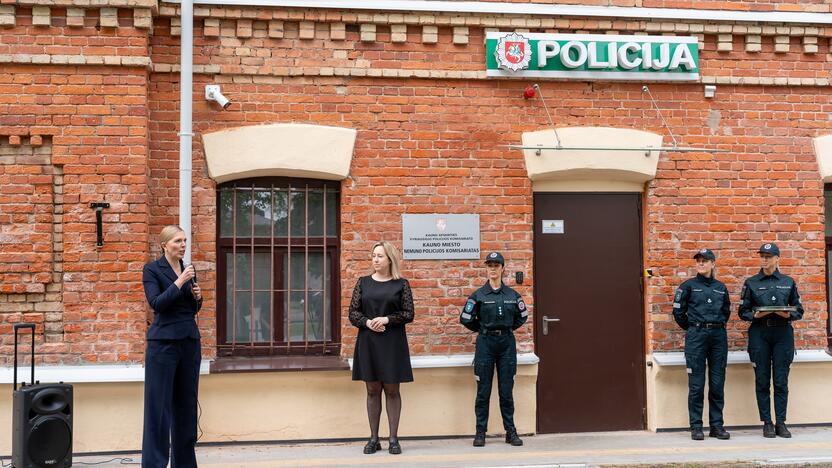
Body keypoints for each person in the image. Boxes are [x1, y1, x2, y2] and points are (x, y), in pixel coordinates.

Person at [141, 225, 203, 467]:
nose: (183, 245)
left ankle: (185, 463)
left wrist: (197, 296)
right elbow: (158, 304)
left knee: (186, 406)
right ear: (165, 244)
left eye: (185, 240)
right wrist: (180, 282)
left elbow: (191, 309)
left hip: (188, 341)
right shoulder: (152, 270)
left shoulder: (189, 269)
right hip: (163, 344)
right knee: (158, 408)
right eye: (178, 241)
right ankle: (155, 463)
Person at [348, 241, 415, 455]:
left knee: (392, 390)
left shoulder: (401, 284)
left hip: (392, 342)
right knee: (372, 389)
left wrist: (386, 319)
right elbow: (353, 313)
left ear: (390, 259)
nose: (375, 259)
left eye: (380, 256)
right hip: (369, 341)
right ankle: (374, 438)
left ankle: (393, 439)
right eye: (373, 255)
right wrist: (368, 322)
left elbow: (408, 313)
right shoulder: (363, 283)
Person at [460, 251, 528, 447]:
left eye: (496, 265)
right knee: (483, 391)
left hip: (506, 344)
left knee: (506, 392)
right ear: (486, 269)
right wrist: (483, 330)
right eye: (489, 265)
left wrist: (505, 330)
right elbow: (465, 318)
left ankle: (511, 432)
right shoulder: (478, 295)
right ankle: (480, 432)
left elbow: (521, 316)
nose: (493, 269)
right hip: (485, 345)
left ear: (502, 268)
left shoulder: (513, 295)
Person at [739, 242, 803, 439]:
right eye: (762, 256)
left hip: (783, 334)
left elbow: (798, 310)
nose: (764, 259)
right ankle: (767, 422)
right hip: (760, 333)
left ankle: (781, 422)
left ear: (777, 259)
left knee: (781, 380)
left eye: (768, 256)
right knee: (762, 380)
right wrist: (755, 315)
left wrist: (787, 315)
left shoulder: (788, 281)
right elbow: (743, 311)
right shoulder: (751, 282)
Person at [672, 248, 731, 441]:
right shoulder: (687, 286)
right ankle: (696, 426)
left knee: (717, 384)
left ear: (713, 263)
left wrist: (714, 327)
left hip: (718, 336)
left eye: (705, 261)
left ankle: (717, 426)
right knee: (696, 385)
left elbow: (726, 312)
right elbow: (679, 313)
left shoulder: (721, 287)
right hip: (696, 336)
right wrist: (692, 328)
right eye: (698, 261)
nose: (701, 263)